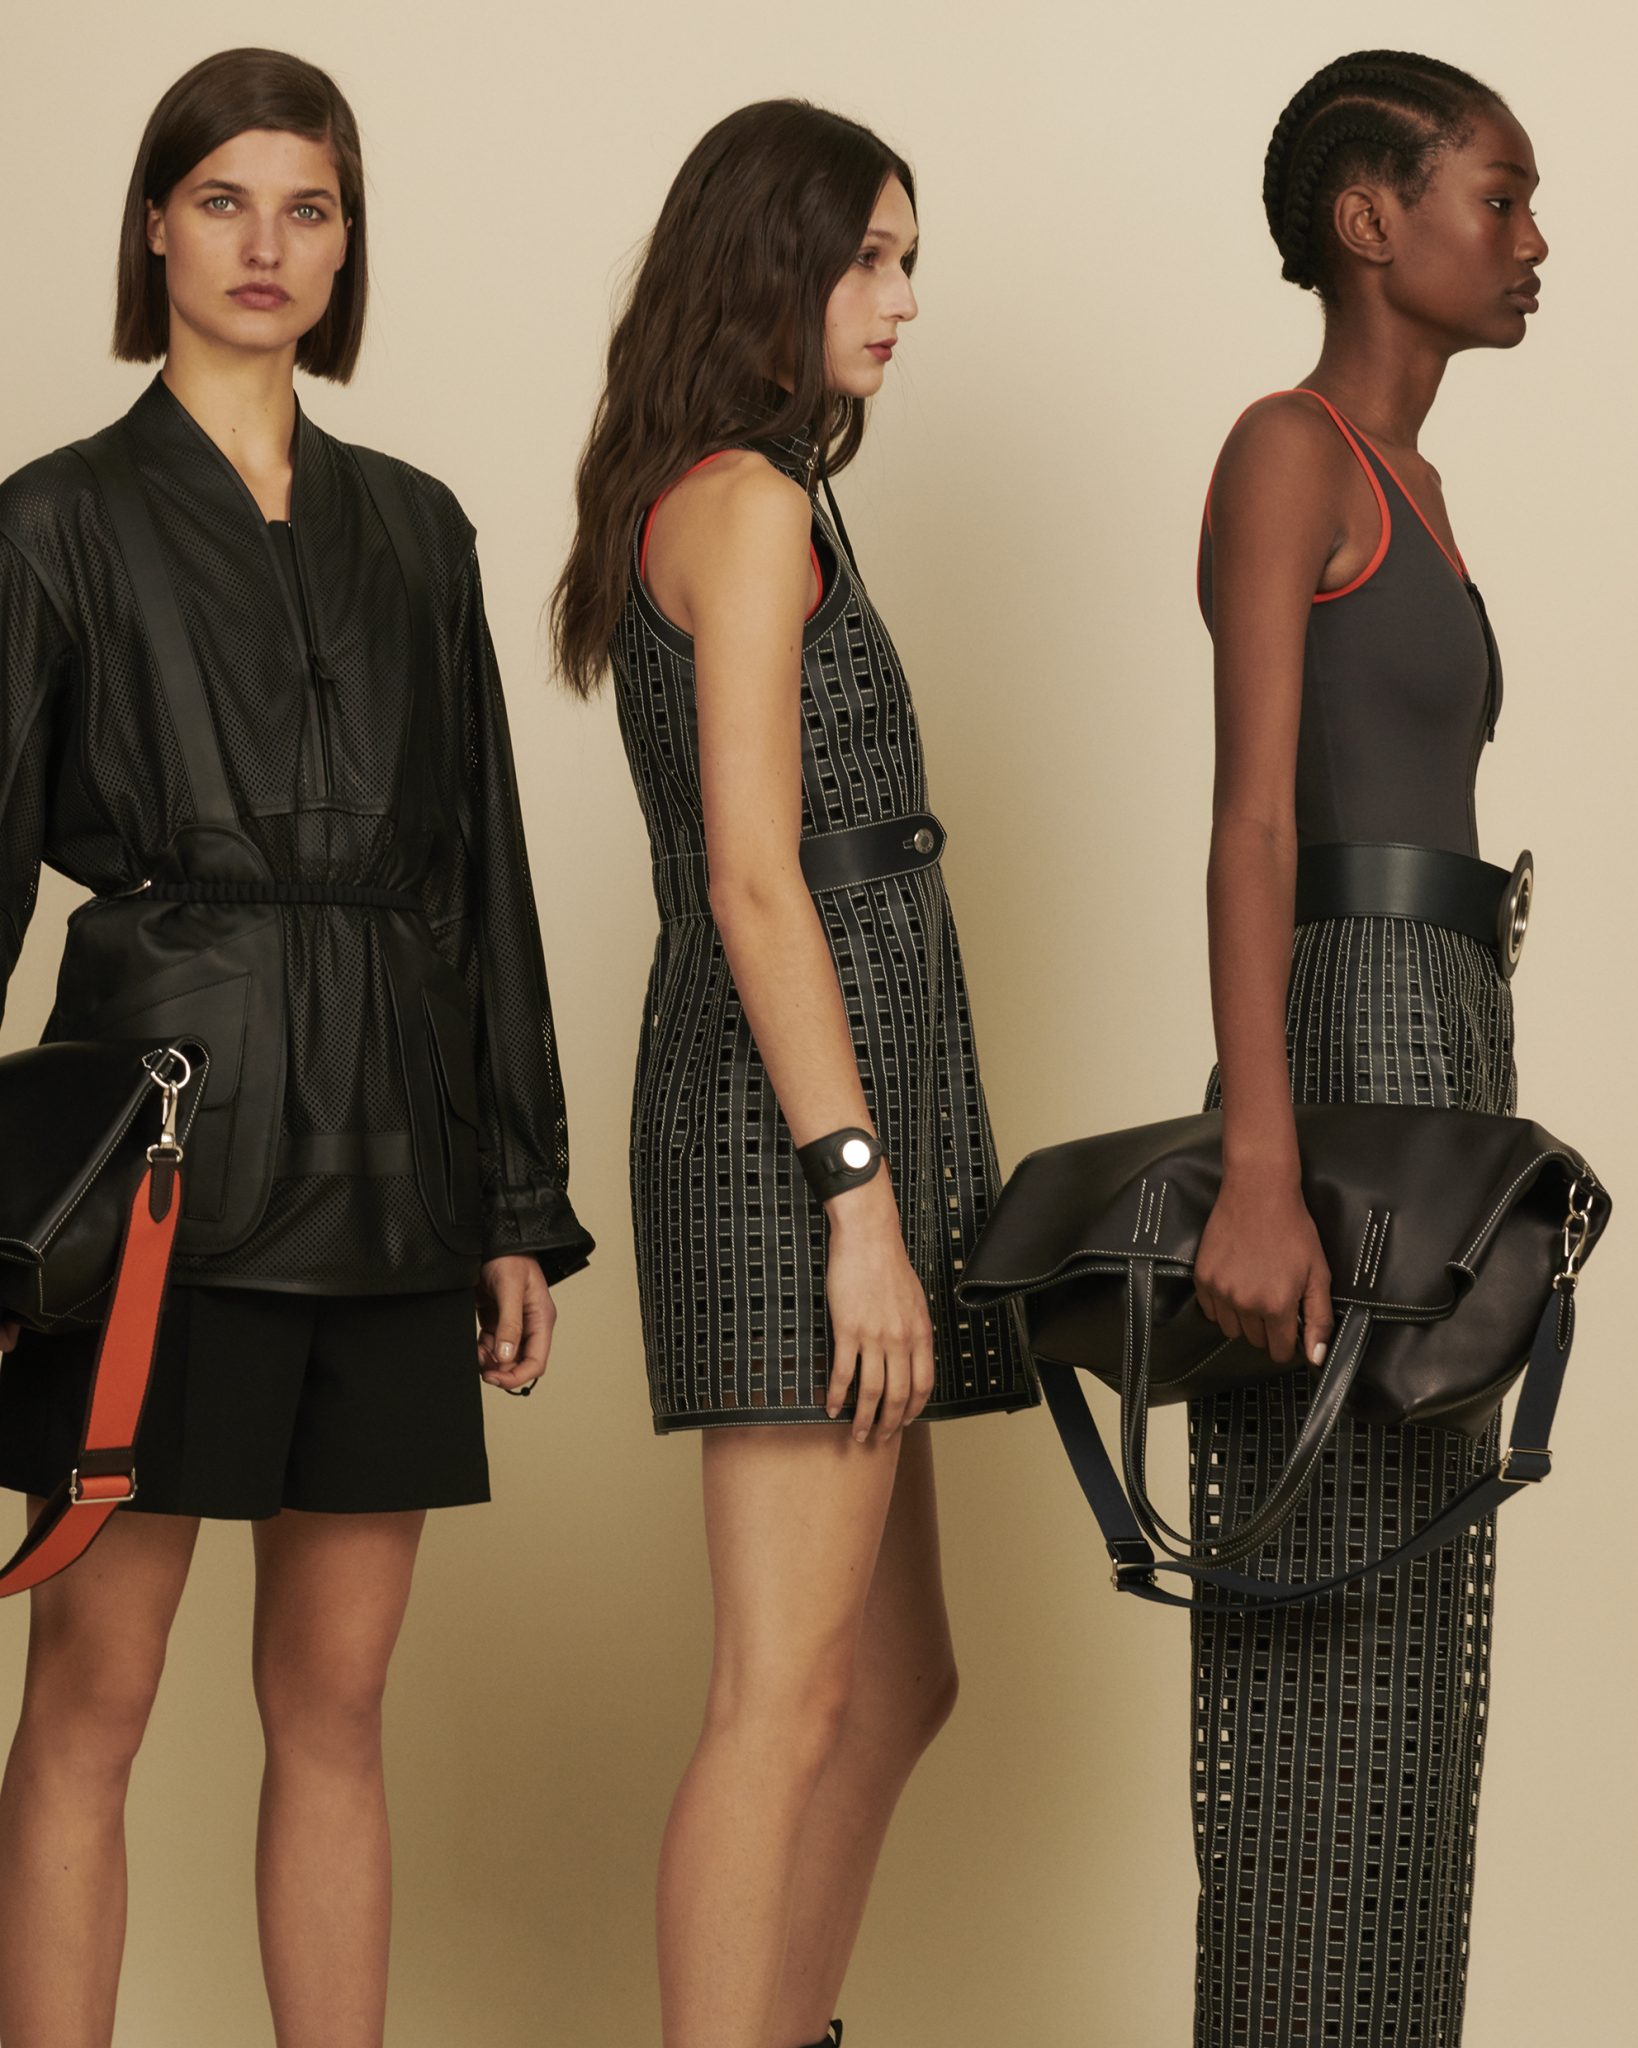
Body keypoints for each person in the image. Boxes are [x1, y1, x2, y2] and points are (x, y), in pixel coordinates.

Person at [0, 47, 592, 2048]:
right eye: (226, 199)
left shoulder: (417, 529)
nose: (267, 243)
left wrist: (514, 1198)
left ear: (347, 249)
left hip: (394, 1170)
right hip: (149, 1180)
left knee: (336, 1706)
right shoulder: (55, 523)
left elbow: (481, 874)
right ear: (155, 229)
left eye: (309, 207)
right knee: (91, 1698)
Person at [552, 98, 1035, 2048]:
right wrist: (855, 1199)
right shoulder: (743, 506)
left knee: (896, 1676)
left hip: (851, 1108)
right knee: (782, 1693)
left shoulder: (762, 493)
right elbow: (754, 879)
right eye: (871, 257)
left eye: (910, 258)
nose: (902, 298)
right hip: (789, 1141)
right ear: (770, 261)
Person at [1190, 49, 1547, 2048]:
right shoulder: (1291, 451)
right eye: (1498, 197)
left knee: (1417, 1654)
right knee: (1316, 1659)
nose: (1533, 239)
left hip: (1450, 1050)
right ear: (1367, 220)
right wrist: (1259, 1170)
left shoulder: (1423, 490)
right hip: (1337, 1051)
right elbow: (1254, 824)